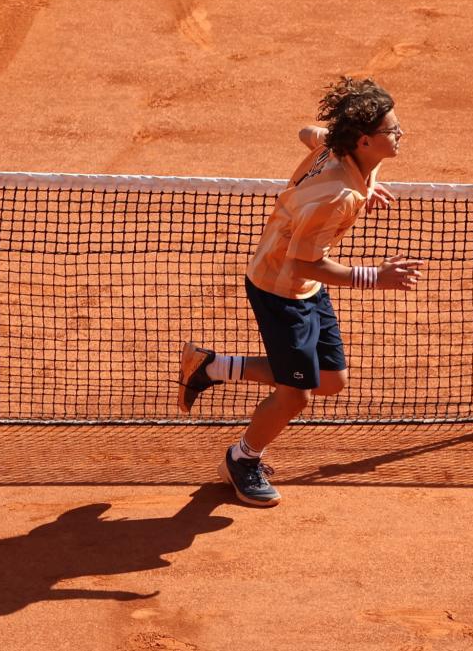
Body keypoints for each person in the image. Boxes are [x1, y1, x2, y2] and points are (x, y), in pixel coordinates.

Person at [175, 77, 422, 506]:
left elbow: (308, 133)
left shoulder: (341, 148)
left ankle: (211, 367)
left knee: (330, 379)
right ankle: (242, 459)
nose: (400, 135)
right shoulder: (338, 197)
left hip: (302, 288)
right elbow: (303, 261)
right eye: (392, 131)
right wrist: (374, 278)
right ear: (364, 140)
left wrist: (367, 182)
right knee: (296, 393)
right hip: (281, 288)